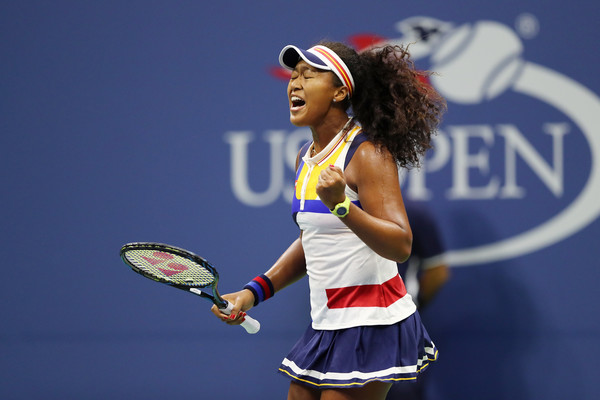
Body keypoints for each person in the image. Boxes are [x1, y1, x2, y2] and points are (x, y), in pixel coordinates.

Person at [211, 40, 446, 400]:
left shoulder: (367, 154)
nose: (295, 82)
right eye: (293, 75)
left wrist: (342, 207)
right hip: (327, 319)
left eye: (309, 74)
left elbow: (401, 244)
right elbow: (313, 241)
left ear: (339, 92)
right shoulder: (305, 158)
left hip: (371, 318)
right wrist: (252, 292)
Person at [387, 201, 450, 400]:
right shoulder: (334, 210)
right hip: (345, 326)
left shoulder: (413, 213)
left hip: (399, 328)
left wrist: (412, 306)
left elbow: (438, 272)